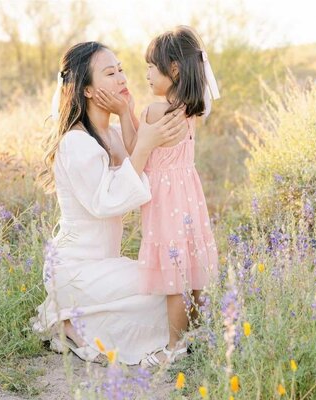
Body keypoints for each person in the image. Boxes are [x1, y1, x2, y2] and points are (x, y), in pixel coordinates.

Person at [31, 41, 188, 365]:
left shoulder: (112, 133)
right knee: (168, 292)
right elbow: (107, 201)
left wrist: (127, 114)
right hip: (76, 270)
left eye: (121, 70)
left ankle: (78, 321)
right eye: (109, 73)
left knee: (175, 283)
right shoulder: (76, 142)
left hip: (106, 268)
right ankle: (72, 322)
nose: (121, 78)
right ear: (87, 90)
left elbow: (140, 165)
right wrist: (146, 142)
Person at [99, 26, 220, 367]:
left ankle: (173, 347)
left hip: (166, 202)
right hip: (189, 196)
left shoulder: (155, 110)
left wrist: (125, 113)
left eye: (152, 67)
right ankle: (197, 334)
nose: (146, 74)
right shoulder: (192, 109)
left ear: (175, 69)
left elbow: (135, 150)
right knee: (191, 266)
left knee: (174, 274)